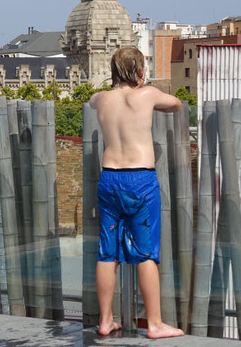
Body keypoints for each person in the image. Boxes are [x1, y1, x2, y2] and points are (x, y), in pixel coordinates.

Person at [89, 47, 184, 339]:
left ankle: (106, 320)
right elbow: (177, 104)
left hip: (109, 179)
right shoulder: (148, 95)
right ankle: (154, 323)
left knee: (107, 253)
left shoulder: (102, 100)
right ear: (139, 71)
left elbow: (92, 100)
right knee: (145, 253)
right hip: (140, 179)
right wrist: (144, 87)